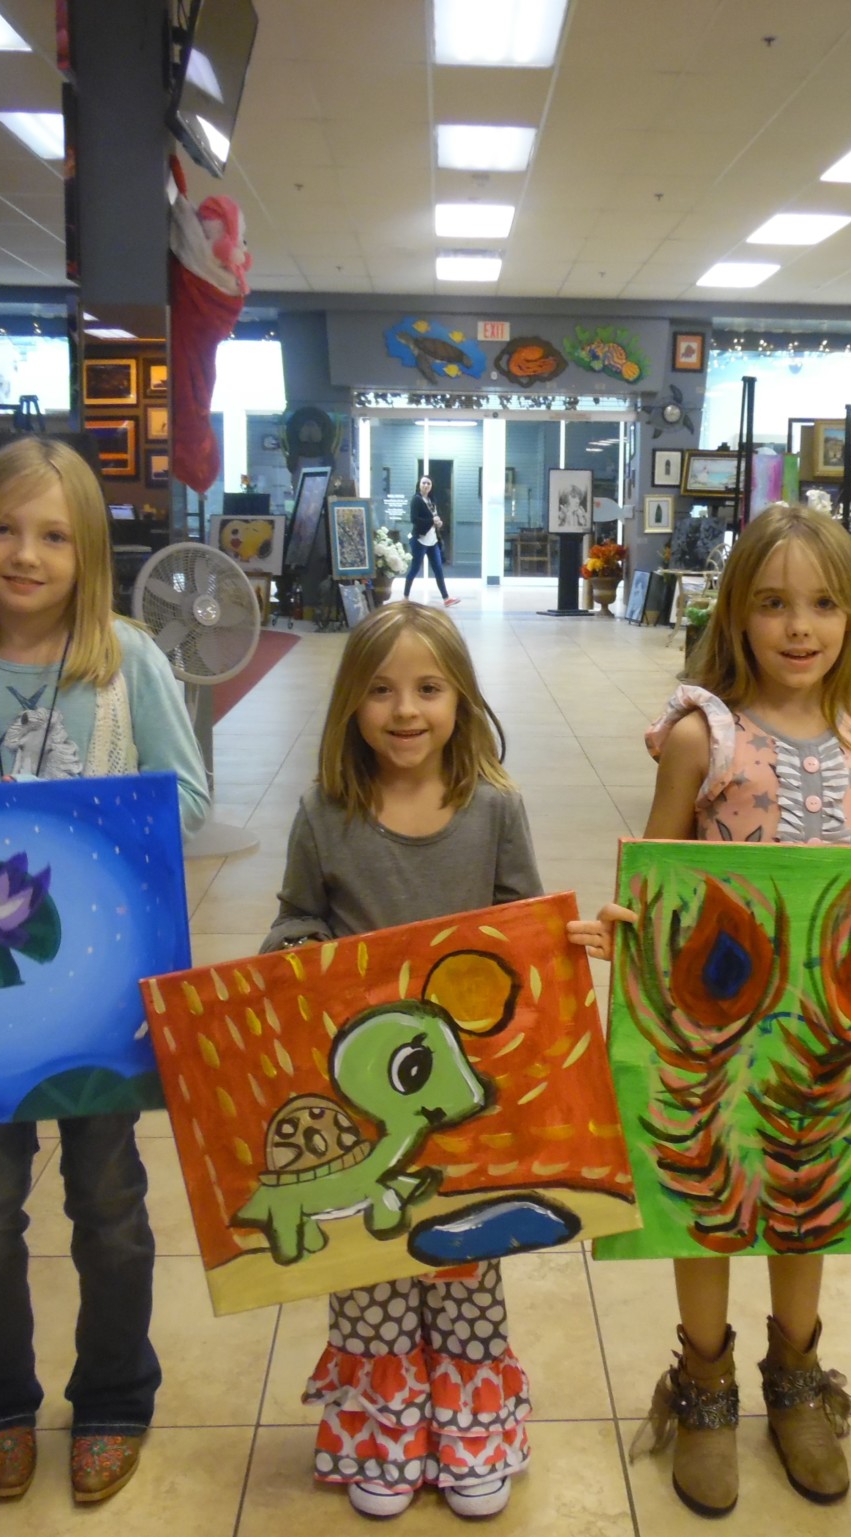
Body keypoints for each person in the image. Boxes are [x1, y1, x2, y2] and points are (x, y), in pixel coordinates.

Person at [569, 503, 851, 1516]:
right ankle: (703, 1384)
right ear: (736, 612)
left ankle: (796, 1378)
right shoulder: (701, 734)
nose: (799, 626)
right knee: (705, 1190)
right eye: (774, 603)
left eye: (824, 604)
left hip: (826, 1024)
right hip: (714, 1018)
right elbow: (657, 871)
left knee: (802, 1187)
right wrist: (621, 922)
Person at [0, 435, 210, 1505]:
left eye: (52, 535)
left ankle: (116, 1393)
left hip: (93, 991)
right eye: (2, 529)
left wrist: (81, 824)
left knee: (108, 1198)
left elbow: (188, 799)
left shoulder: (129, 663)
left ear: (88, 554)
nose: (24, 555)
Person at [261, 601, 536, 1520]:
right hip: (360, 1099)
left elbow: (523, 929)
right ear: (351, 702)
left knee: (465, 1263)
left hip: (463, 1097)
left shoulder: (494, 808)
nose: (405, 709)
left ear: (462, 700)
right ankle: (385, 1432)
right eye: (380, 690)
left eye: (428, 688)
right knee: (368, 1266)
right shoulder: (324, 812)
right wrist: (296, 954)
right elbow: (295, 913)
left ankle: (472, 1432)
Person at [404, 475, 458, 605]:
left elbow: (434, 517)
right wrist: (431, 521)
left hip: (433, 541)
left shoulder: (431, 500)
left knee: (438, 569)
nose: (426, 485)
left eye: (428, 483)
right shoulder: (416, 500)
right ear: (419, 484)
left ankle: (446, 598)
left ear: (431, 486)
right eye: (424, 483)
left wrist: (438, 522)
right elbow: (414, 519)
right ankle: (405, 597)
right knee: (415, 569)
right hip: (420, 540)